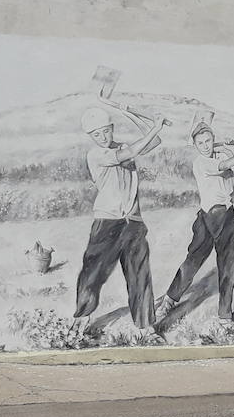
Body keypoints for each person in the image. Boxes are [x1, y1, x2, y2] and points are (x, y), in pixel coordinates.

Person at [72, 106, 168, 342]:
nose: (103, 137)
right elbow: (129, 153)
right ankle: (82, 317)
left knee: (140, 274)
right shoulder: (96, 155)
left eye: (106, 131)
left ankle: (145, 325)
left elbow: (153, 141)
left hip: (133, 221)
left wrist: (133, 114)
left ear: (112, 128)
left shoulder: (123, 147)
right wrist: (155, 125)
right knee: (93, 272)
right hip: (107, 221)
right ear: (91, 137)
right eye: (97, 134)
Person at [156, 122, 234, 331]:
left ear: (214, 139)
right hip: (207, 218)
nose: (205, 146)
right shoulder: (201, 163)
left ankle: (225, 315)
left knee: (228, 266)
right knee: (192, 262)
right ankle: (169, 300)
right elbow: (224, 167)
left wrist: (231, 149)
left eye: (208, 141)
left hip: (227, 216)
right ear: (195, 145)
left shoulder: (222, 156)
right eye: (200, 142)